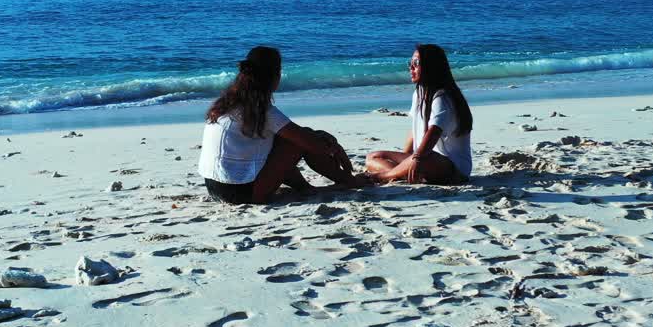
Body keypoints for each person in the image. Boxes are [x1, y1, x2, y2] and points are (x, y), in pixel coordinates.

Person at [198, 46, 367, 203]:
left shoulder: (228, 103)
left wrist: (322, 136)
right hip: (241, 192)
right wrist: (334, 147)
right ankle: (351, 181)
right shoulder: (261, 109)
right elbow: (311, 144)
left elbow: (298, 134)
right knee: (297, 142)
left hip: (214, 187)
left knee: (293, 138)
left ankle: (306, 188)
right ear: (275, 76)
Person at [365, 44, 473, 184]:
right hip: (425, 158)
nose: (411, 67)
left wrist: (416, 159)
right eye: (410, 63)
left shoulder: (442, 96)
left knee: (424, 157)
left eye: (416, 63)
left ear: (431, 67)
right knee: (373, 157)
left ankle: (382, 176)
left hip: (453, 169)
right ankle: (401, 173)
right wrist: (406, 157)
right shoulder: (419, 92)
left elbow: (434, 131)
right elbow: (414, 128)